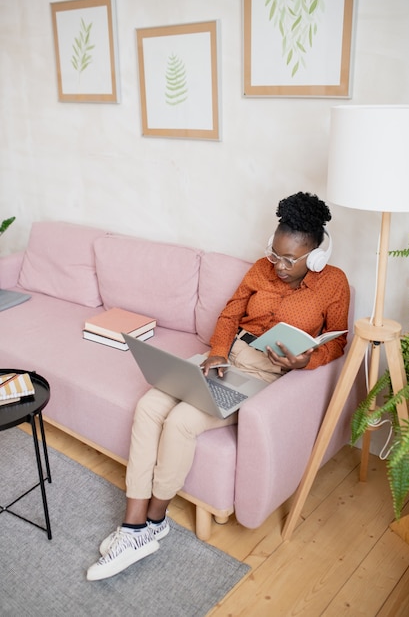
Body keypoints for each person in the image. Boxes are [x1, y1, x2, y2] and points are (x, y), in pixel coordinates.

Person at [87, 191, 350, 581]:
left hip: (266, 376)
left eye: (289, 260)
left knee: (180, 420)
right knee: (148, 406)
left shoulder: (334, 284)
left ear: (315, 256)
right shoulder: (261, 269)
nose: (278, 265)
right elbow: (230, 313)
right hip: (227, 361)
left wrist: (305, 360)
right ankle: (134, 527)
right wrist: (216, 353)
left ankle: (155, 520)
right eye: (274, 254)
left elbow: (338, 343)